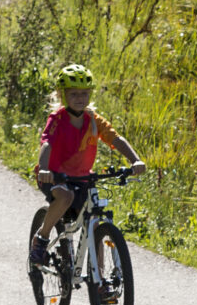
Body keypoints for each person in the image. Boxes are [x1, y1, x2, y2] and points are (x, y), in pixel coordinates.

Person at [33, 63, 144, 269]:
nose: (80, 98)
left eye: (84, 93)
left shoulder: (93, 119)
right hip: (55, 176)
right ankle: (42, 237)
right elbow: (46, 142)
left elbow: (115, 138)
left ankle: (99, 280)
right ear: (63, 95)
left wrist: (135, 160)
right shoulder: (58, 118)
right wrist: (44, 168)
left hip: (82, 177)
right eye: (74, 94)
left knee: (94, 222)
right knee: (65, 197)